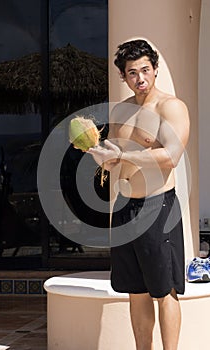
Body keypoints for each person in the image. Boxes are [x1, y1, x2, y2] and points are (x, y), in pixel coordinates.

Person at [88, 39, 190, 350]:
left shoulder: (170, 107)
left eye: (146, 70)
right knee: (136, 289)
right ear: (124, 76)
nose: (140, 78)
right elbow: (114, 155)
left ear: (155, 70)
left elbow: (171, 156)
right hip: (124, 207)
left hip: (157, 206)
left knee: (164, 289)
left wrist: (125, 157)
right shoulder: (122, 110)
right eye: (133, 73)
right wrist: (98, 154)